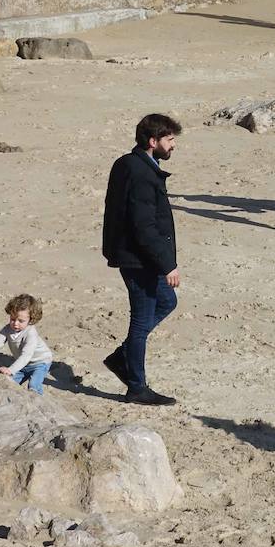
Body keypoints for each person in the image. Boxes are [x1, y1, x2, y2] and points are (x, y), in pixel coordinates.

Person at [101, 113, 183, 406]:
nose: (173, 145)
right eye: (170, 139)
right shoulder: (142, 174)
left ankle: (122, 357)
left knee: (167, 302)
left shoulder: (131, 163)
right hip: (138, 258)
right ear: (153, 141)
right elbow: (143, 226)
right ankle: (136, 386)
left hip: (133, 254)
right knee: (141, 321)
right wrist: (167, 264)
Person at [0, 294, 55, 395]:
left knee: (34, 385)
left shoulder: (31, 333)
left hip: (40, 362)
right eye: (13, 319)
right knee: (9, 382)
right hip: (23, 364)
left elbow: (26, 355)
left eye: (21, 321)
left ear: (31, 320)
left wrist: (11, 370)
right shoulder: (8, 329)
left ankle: (37, 402)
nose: (15, 324)